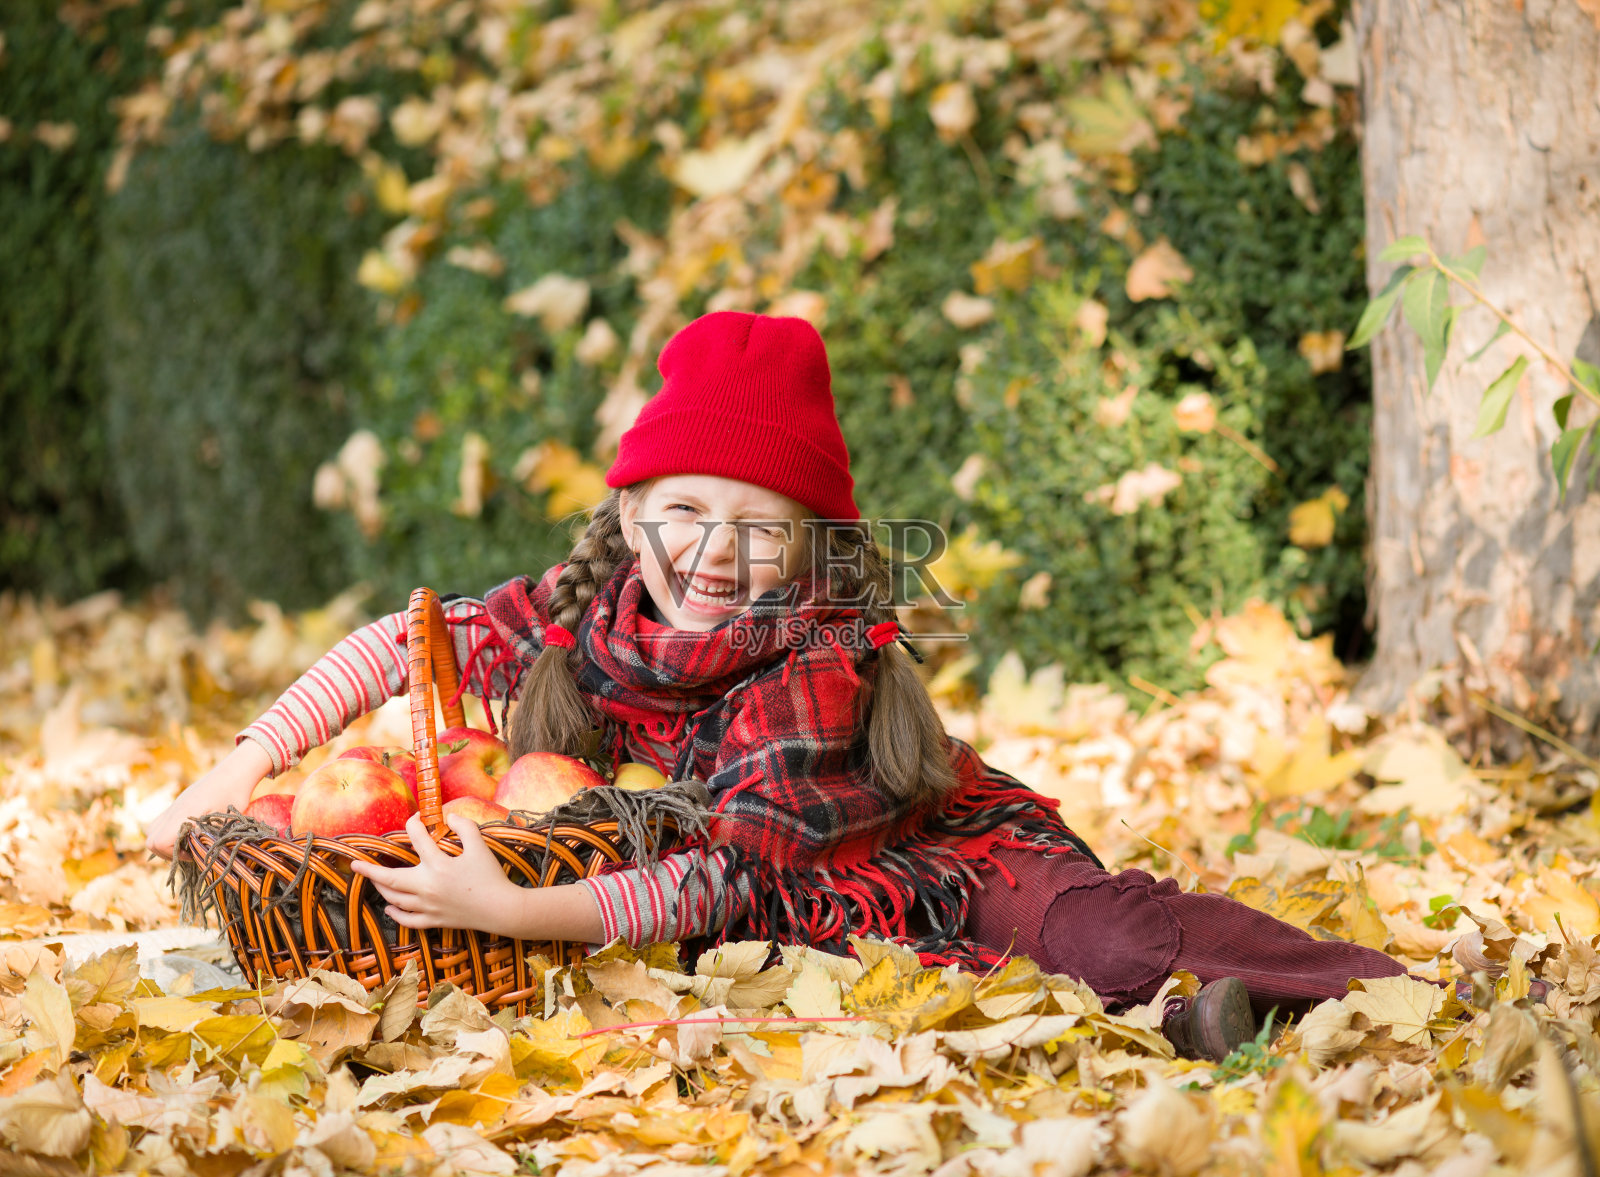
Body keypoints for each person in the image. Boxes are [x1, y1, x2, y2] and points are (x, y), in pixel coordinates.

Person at [147, 310, 1411, 1062]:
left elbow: (728, 877)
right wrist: (239, 766)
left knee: (1100, 940)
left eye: (759, 526)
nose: (714, 551)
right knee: (969, 1000)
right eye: (685, 510)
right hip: (781, 923)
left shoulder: (812, 663)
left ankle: (1369, 990)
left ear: (809, 549)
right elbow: (400, 642)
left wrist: (514, 908)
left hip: (928, 864)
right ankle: (1186, 1022)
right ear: (629, 513)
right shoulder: (592, 613)